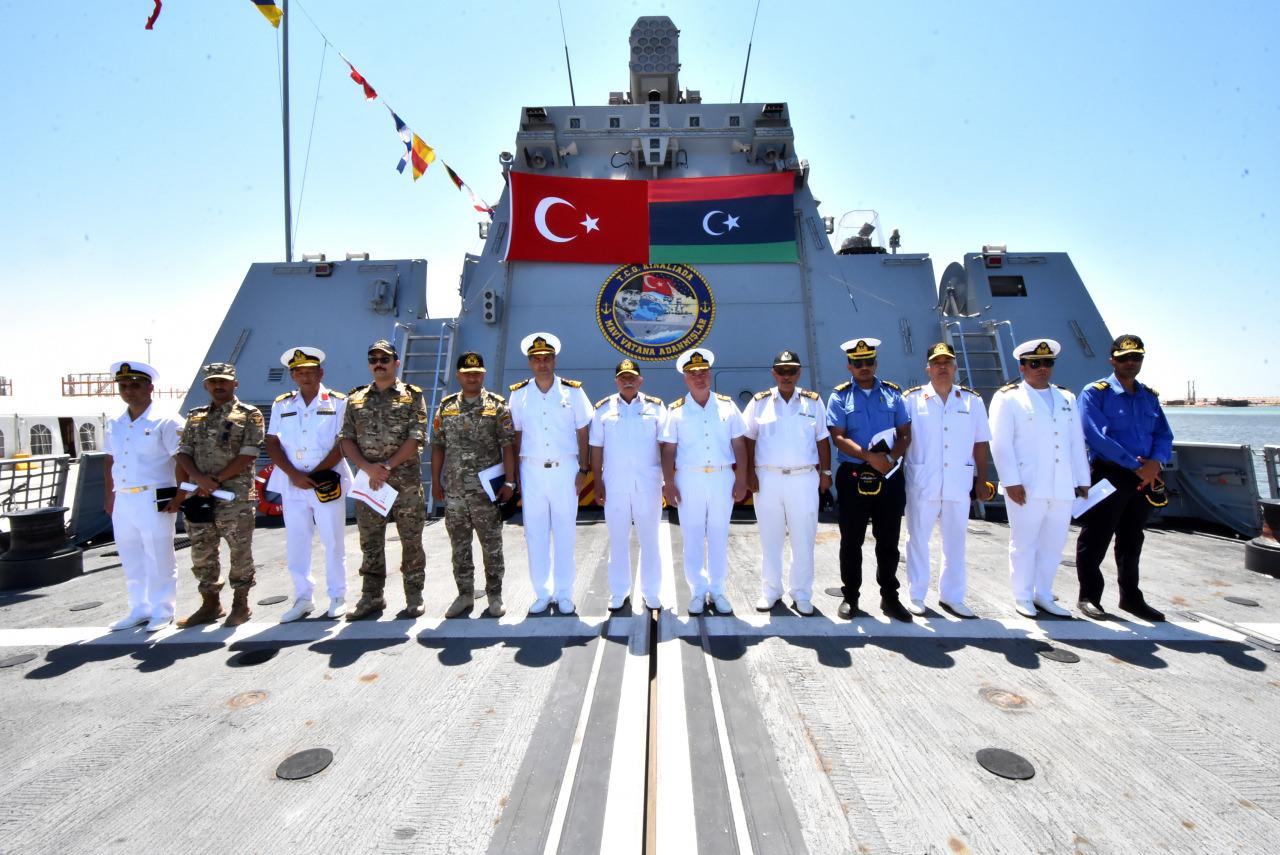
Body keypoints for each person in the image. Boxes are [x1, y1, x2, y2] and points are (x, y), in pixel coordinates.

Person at [1074, 334, 1174, 622]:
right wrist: (1134, 464)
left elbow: (1163, 434)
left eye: (1136, 357)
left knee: (1132, 538)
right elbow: (1095, 434)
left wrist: (1155, 462)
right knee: (1096, 536)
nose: (1131, 362)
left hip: (1144, 477)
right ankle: (1089, 596)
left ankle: (1131, 597)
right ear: (1112, 361)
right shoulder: (1096, 393)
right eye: (1124, 358)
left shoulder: (1149, 397)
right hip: (1110, 474)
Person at [988, 340, 1090, 618]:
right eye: (1035, 363)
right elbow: (1000, 443)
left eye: (1047, 363)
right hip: (1027, 484)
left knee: (1054, 544)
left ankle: (1043, 593)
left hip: (1061, 484)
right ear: (1022, 367)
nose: (1042, 368)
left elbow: (1075, 442)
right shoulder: (1008, 398)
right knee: (1023, 543)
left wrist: (1083, 479)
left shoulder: (1066, 398)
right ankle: (1022, 595)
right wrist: (1010, 481)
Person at [339, 339, 429, 620]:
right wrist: (368, 468)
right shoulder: (355, 399)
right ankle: (372, 597)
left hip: (405, 483)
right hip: (370, 482)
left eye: (385, 359)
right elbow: (346, 439)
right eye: (373, 359)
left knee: (411, 541)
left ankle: (414, 596)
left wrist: (387, 466)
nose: (379, 364)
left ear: (396, 363)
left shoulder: (413, 396)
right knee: (370, 542)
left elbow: (416, 438)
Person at [824, 338, 914, 622]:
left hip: (889, 475)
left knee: (888, 540)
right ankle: (851, 596)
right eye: (858, 363)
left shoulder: (893, 393)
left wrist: (891, 459)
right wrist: (869, 457)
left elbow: (905, 434)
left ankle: (890, 597)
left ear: (876, 363)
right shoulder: (840, 396)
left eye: (869, 362)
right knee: (851, 541)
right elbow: (838, 437)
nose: (864, 367)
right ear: (849, 366)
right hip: (854, 475)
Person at [901, 342, 993, 618]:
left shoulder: (972, 401)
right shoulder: (912, 400)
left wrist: (982, 479)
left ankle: (952, 596)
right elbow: (902, 439)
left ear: (955, 368)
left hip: (958, 481)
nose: (942, 367)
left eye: (947, 363)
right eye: (937, 363)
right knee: (918, 539)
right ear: (928, 369)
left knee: (955, 540)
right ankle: (916, 594)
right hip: (923, 480)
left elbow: (980, 443)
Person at [507, 332, 593, 615]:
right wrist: (516, 475)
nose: (542, 364)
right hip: (531, 470)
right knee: (535, 533)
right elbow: (516, 435)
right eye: (536, 359)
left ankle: (564, 593)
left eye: (546, 358)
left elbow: (583, 431)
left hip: (565, 469)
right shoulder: (518, 394)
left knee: (565, 532)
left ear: (554, 360)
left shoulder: (573, 391)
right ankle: (542, 593)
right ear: (530, 363)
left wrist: (584, 469)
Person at [175, 362, 265, 627]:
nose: (218, 385)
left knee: (240, 551)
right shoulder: (195, 416)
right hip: (199, 497)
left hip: (234, 498)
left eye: (223, 381)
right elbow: (183, 452)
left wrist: (214, 480)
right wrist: (199, 480)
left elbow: (249, 453)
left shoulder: (249, 414)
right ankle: (210, 604)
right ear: (206, 385)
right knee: (202, 552)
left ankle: (241, 604)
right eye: (213, 381)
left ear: (234, 384)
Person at [659, 348, 749, 615]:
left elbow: (740, 445)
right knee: (693, 536)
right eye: (693, 374)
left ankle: (718, 590)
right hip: (689, 478)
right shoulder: (676, 410)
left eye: (703, 372)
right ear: (685, 378)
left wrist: (741, 479)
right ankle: (698, 590)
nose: (699, 378)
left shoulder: (727, 405)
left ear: (709, 374)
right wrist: (668, 483)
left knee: (719, 534)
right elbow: (668, 450)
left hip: (722, 476)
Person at [742, 349, 831, 616]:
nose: (786, 376)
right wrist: (748, 473)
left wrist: (826, 473)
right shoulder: (759, 402)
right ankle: (771, 591)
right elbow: (748, 439)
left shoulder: (813, 402)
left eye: (791, 371)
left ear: (799, 373)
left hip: (803, 478)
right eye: (781, 371)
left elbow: (822, 439)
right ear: (774, 373)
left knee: (804, 539)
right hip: (768, 478)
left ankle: (801, 593)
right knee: (770, 538)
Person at [265, 347, 351, 622]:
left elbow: (343, 442)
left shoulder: (338, 402)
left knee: (333, 540)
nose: (305, 376)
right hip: (293, 483)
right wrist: (294, 474)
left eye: (310, 371)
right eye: (299, 372)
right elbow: (272, 442)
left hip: (327, 481)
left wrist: (314, 474)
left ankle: (337, 596)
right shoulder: (282, 404)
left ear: (320, 373)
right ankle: (303, 598)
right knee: (297, 541)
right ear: (293, 375)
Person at [430, 351, 517, 619]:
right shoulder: (446, 407)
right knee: (459, 546)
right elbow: (438, 446)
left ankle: (495, 595)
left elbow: (508, 446)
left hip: (486, 493)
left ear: (483, 375)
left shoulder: (497, 406)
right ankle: (464, 595)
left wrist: (510, 482)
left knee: (492, 545)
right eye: (467, 374)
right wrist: (435, 481)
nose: (472, 378)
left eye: (477, 373)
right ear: (458, 376)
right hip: (455, 491)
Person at [102, 360, 185, 632]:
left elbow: (182, 459)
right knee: (130, 556)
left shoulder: (167, 420)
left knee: (159, 556)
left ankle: (162, 610)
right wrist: (109, 496)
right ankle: (139, 608)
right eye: (123, 386)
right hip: (124, 498)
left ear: (150, 388)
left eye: (135, 385)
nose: (128, 390)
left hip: (154, 496)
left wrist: (181, 494)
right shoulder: (115, 423)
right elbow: (110, 460)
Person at [589, 358, 668, 612]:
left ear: (640, 380)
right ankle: (619, 591)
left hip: (648, 484)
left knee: (650, 540)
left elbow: (666, 446)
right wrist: (597, 482)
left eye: (632, 377)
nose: (628, 381)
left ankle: (651, 591)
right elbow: (596, 448)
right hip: (615, 485)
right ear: (616, 382)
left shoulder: (656, 407)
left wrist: (668, 481)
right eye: (623, 378)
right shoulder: (602, 410)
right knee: (618, 540)